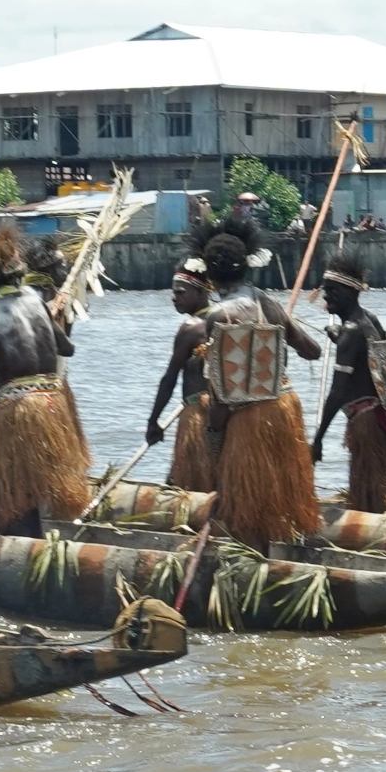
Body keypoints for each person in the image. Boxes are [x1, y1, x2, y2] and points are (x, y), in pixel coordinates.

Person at [156, 224, 321, 548]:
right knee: (278, 495)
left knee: (242, 505)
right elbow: (311, 350)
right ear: (247, 266)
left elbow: (220, 389)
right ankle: (284, 556)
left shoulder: (219, 314)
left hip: (250, 415)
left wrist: (214, 437)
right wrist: (278, 333)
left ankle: (254, 563)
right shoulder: (267, 303)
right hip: (285, 409)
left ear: (211, 277)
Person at [0, 224, 89, 537]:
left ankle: (26, 548)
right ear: (19, 275)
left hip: (20, 411)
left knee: (12, 503)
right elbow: (67, 349)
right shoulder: (38, 305)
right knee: (44, 486)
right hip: (54, 407)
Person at [313, 252, 386, 514]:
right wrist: (339, 338)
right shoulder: (369, 320)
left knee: (366, 497)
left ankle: (370, 525)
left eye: (332, 291)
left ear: (349, 292)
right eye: (325, 290)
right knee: (374, 487)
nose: (325, 297)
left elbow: (337, 392)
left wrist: (318, 439)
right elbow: (368, 361)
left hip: (367, 421)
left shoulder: (350, 332)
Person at [158, 257, 217, 491]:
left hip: (198, 417)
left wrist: (154, 422)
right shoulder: (227, 317)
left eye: (180, 292)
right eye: (174, 292)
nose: (174, 297)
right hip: (223, 418)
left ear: (201, 291)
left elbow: (169, 378)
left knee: (187, 484)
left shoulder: (191, 328)